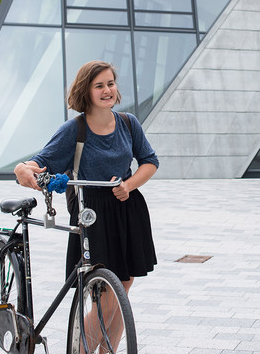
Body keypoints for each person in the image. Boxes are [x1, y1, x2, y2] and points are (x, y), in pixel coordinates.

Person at [14, 60, 158, 346]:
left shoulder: (128, 123)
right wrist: (23, 168)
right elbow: (41, 162)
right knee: (105, 294)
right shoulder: (75, 129)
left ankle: (107, 351)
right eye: (99, 85)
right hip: (91, 210)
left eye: (110, 84)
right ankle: (82, 349)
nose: (107, 90)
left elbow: (150, 162)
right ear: (86, 90)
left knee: (122, 289)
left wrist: (128, 185)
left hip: (127, 206)